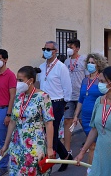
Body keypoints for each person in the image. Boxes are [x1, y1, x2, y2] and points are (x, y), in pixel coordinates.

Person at [0, 66, 55, 176]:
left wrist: (49, 148)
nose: (17, 83)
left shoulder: (43, 96)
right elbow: (12, 122)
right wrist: (6, 144)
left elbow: (49, 123)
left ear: (30, 81)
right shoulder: (18, 97)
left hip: (34, 144)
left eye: (20, 80)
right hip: (17, 144)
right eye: (17, 80)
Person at [39, 41, 73, 171]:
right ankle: (66, 156)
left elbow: (67, 87)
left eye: (48, 49)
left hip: (57, 102)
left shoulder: (61, 67)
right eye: (44, 48)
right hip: (44, 102)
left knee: (51, 134)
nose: (46, 51)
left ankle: (49, 165)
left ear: (55, 51)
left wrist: (65, 102)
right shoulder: (42, 66)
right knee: (48, 133)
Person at [72, 53, 108, 168]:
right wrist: (76, 115)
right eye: (89, 62)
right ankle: (93, 169)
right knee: (92, 144)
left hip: (98, 117)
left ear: (99, 64)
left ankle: (95, 169)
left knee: (95, 145)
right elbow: (81, 99)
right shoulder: (84, 80)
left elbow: (108, 97)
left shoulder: (102, 80)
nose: (90, 64)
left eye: (93, 62)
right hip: (85, 118)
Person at [63, 38, 87, 155]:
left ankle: (91, 141)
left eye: (71, 47)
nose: (69, 50)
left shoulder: (84, 60)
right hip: (69, 96)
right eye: (68, 47)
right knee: (67, 120)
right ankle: (67, 150)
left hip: (81, 95)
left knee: (83, 120)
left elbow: (88, 77)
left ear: (77, 48)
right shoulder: (66, 62)